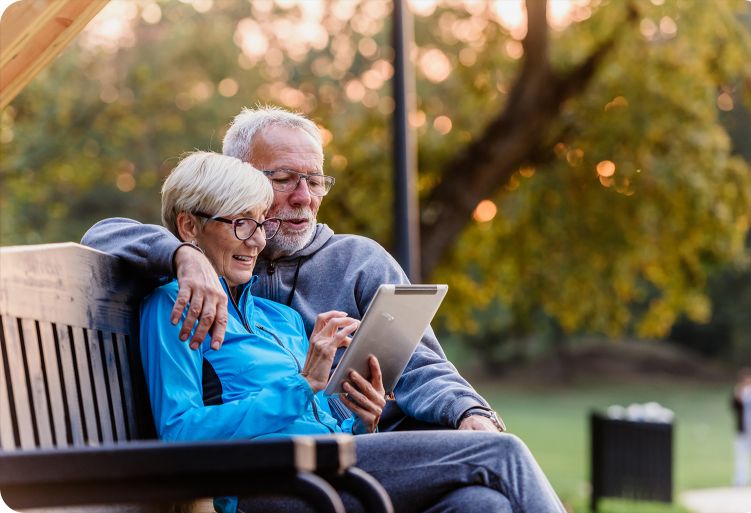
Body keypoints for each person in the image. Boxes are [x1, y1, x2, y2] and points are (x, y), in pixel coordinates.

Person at [142, 150, 567, 513]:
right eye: (240, 224)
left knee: (479, 504)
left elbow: (317, 418)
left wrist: (363, 422)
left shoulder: (280, 318)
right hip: (268, 486)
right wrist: (302, 384)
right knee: (500, 452)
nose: (255, 241)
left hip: (324, 470)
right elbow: (180, 433)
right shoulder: (173, 306)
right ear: (189, 227)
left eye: (259, 225)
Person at [82, 106, 500, 432]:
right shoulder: (213, 252)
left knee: (484, 487)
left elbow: (420, 364)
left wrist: (469, 414)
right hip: (291, 472)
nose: (304, 197)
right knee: (492, 472)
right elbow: (105, 234)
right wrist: (183, 256)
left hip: (375, 442)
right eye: (284, 179)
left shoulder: (358, 261)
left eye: (315, 181)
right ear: (242, 182)